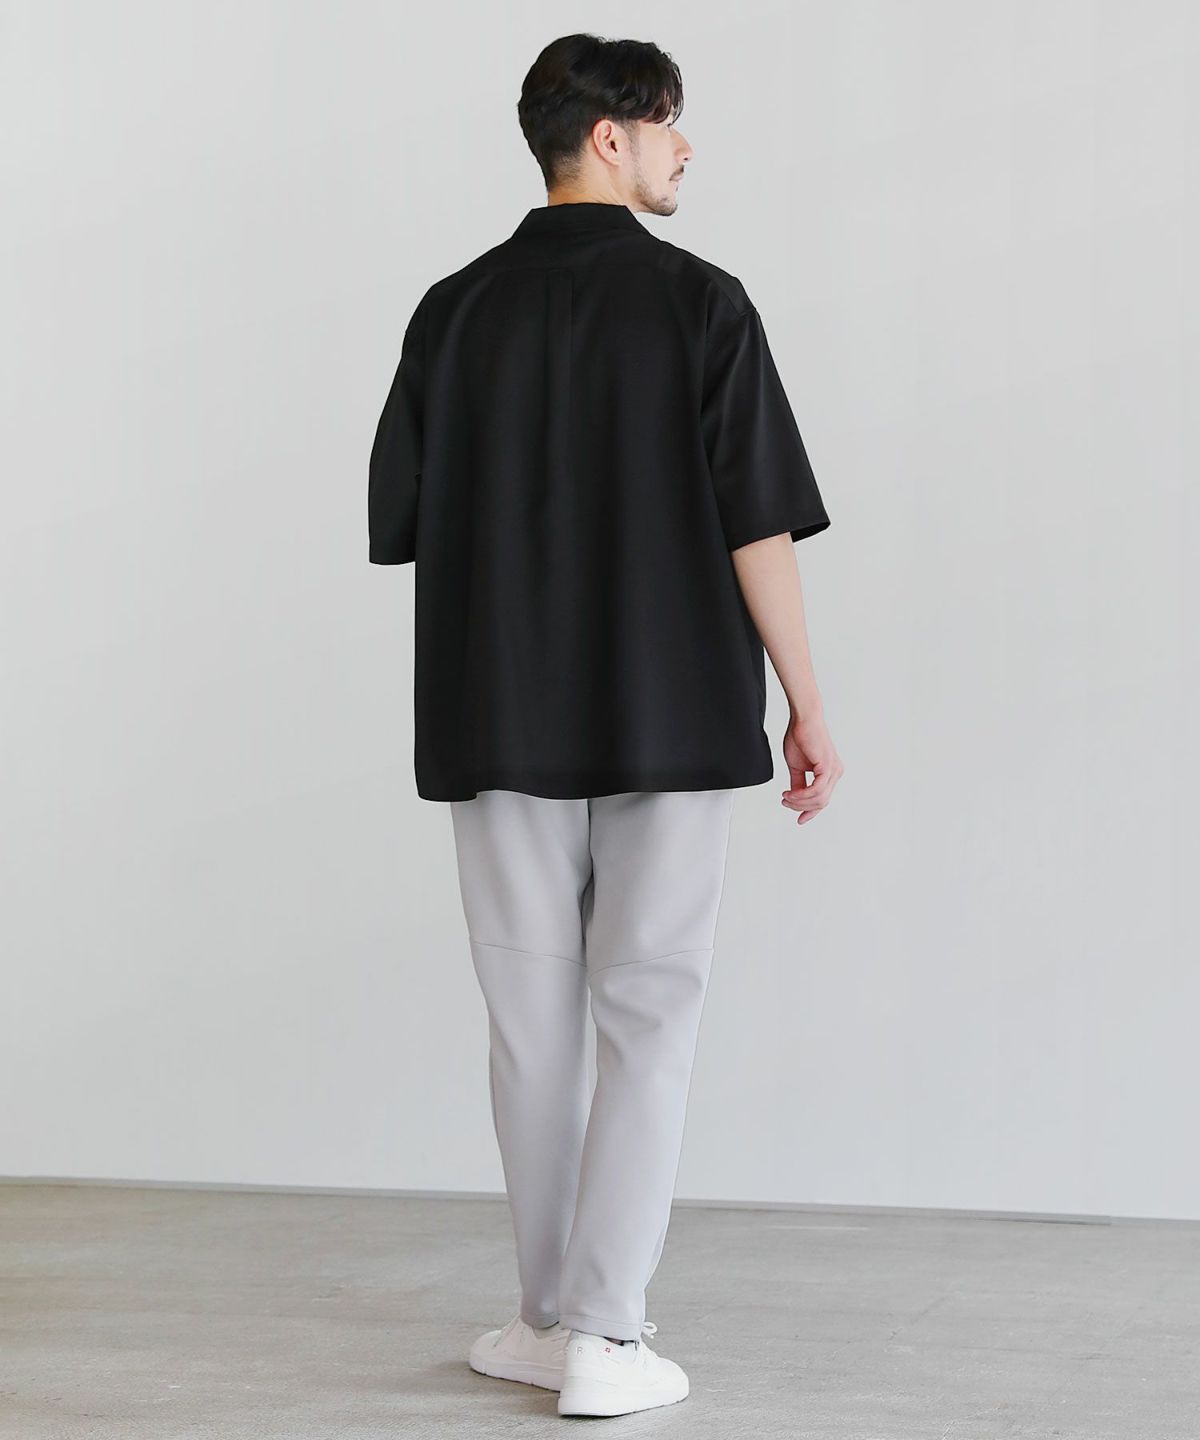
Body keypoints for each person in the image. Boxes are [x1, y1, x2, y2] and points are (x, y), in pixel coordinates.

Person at [368, 32, 843, 1418]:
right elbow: (757, 523)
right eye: (669, 121)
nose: (686, 147)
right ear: (610, 137)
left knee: (530, 1024)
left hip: (495, 713)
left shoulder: (452, 311)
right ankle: (607, 1336)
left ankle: (545, 1318)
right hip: (669, 713)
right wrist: (808, 699)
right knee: (649, 1014)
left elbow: (403, 520)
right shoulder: (703, 305)